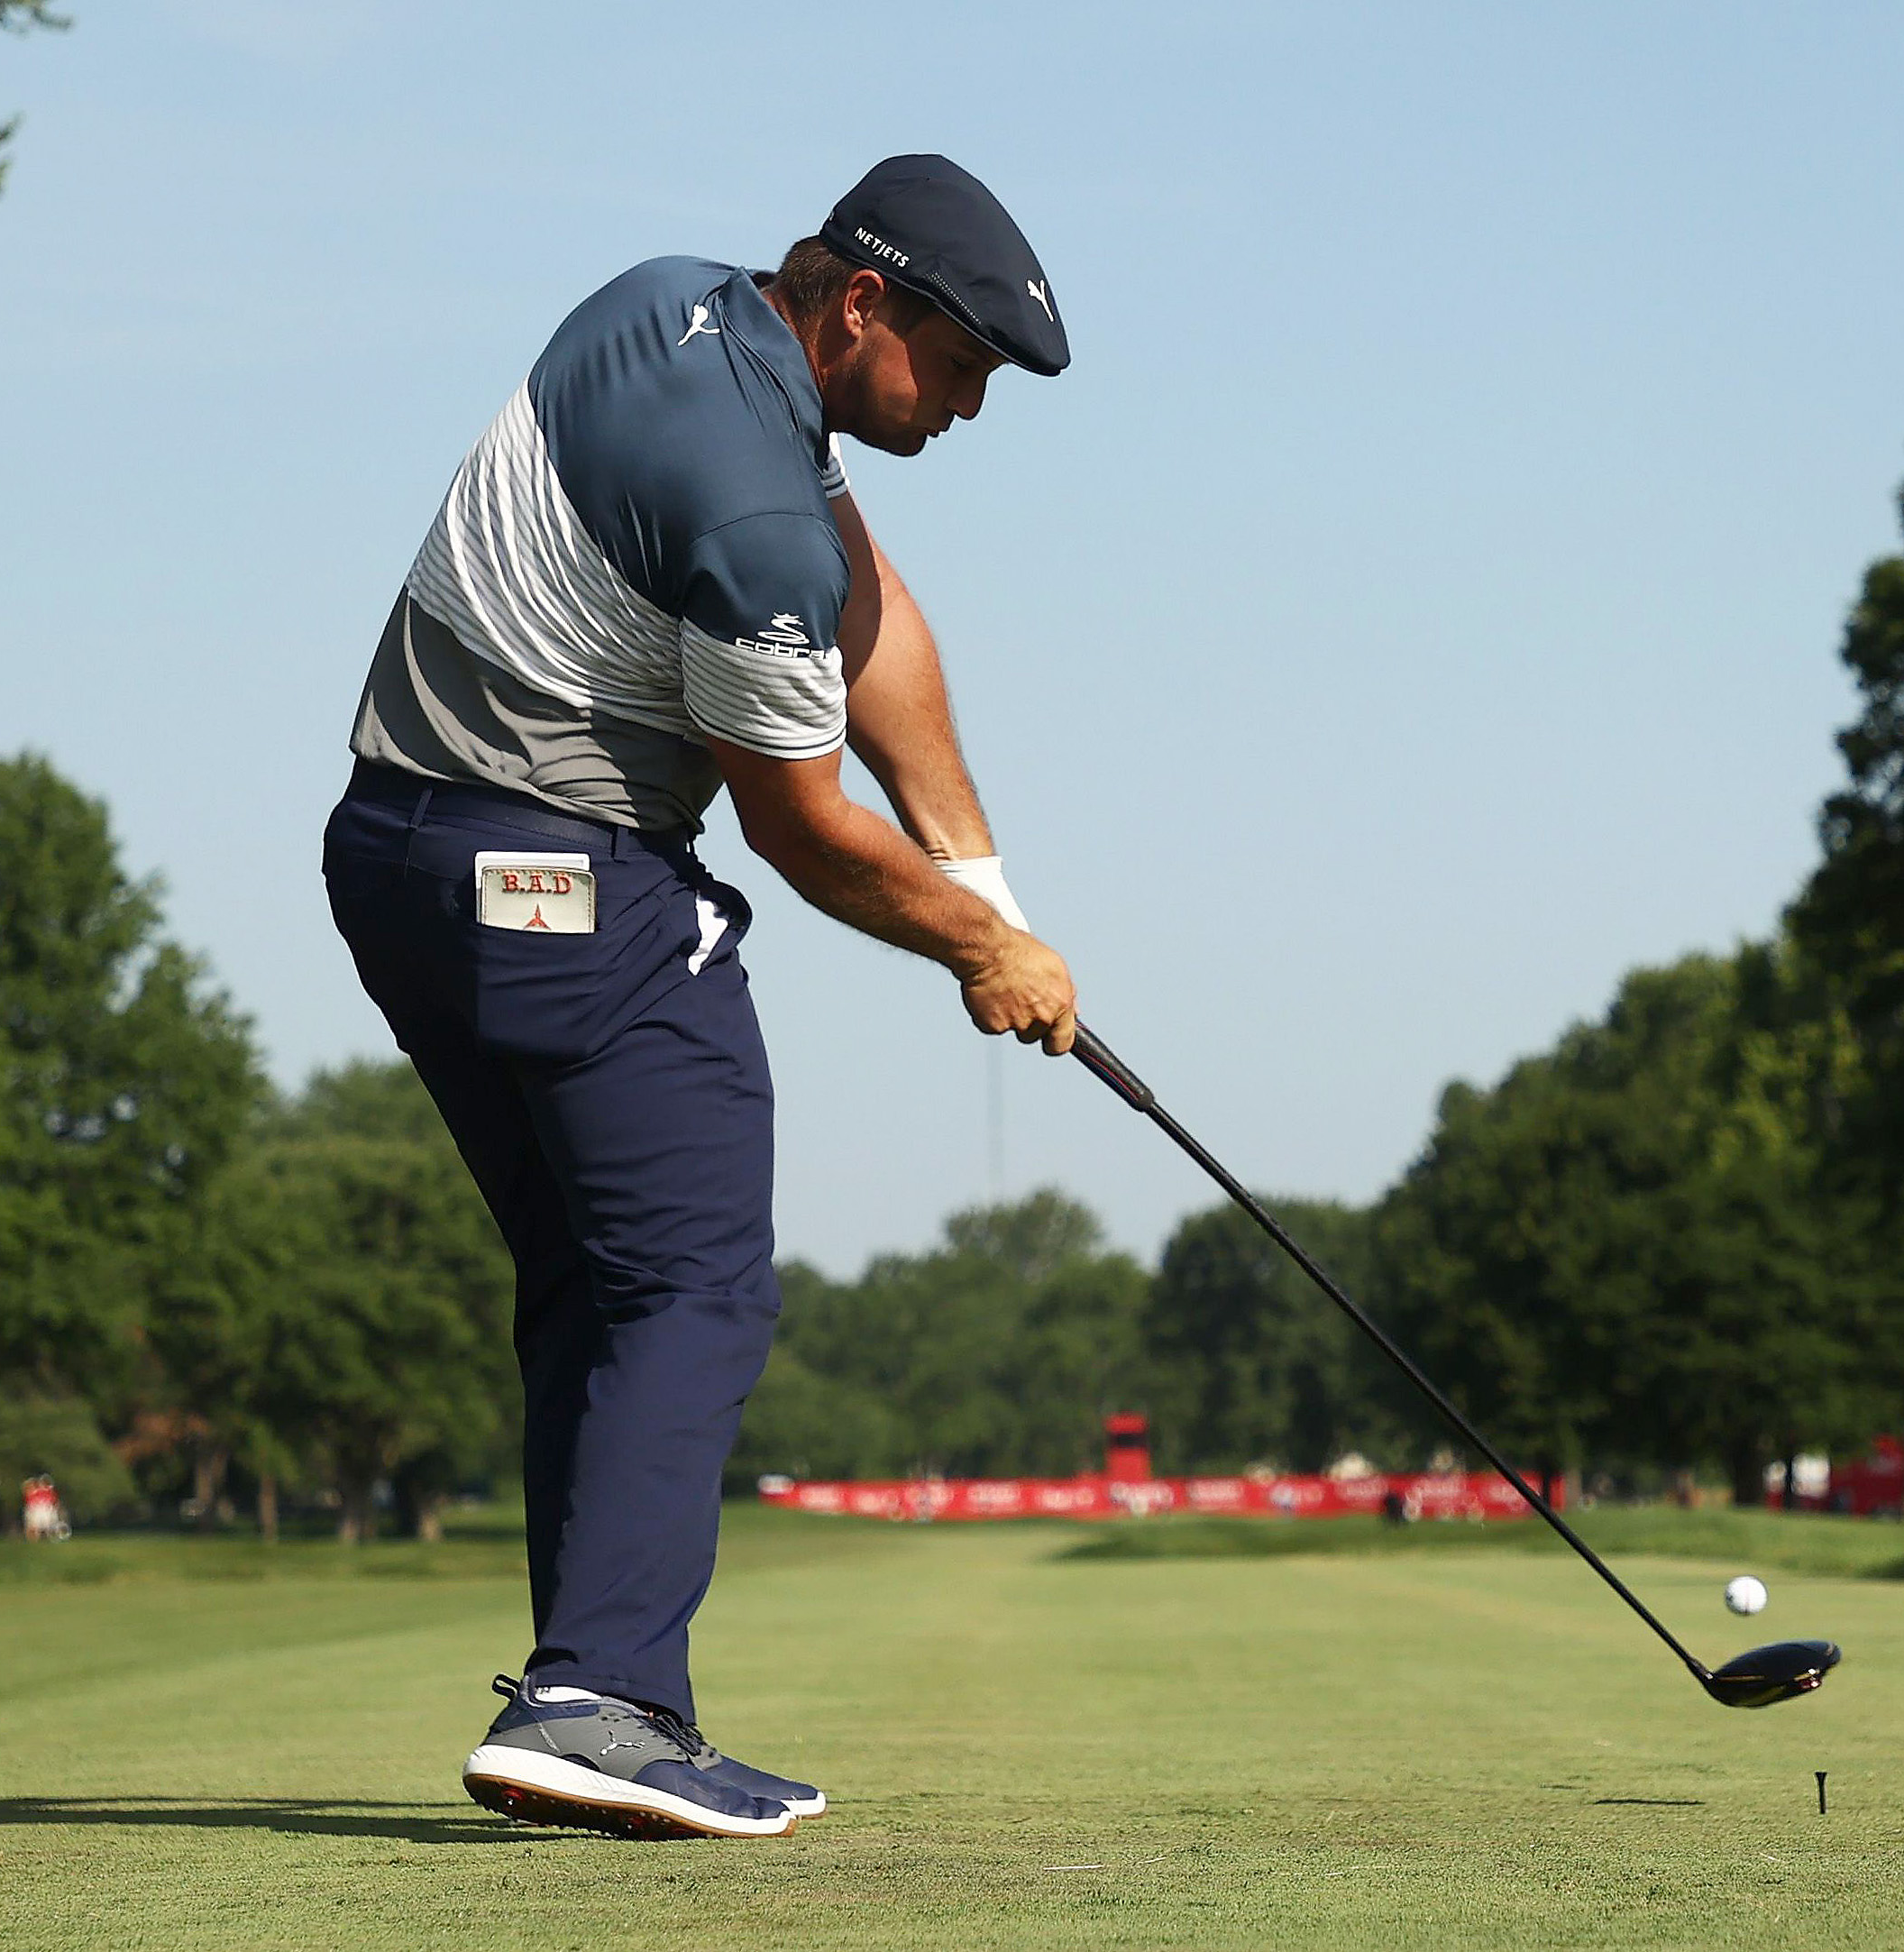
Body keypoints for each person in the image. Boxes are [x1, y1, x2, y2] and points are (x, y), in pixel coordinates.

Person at [322, 156, 1080, 1841]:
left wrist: (984, 881)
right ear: (865, 305)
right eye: (958, 365)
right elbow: (800, 826)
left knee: (595, 1288)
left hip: (393, 852)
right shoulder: (748, 520)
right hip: (552, 883)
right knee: (696, 1286)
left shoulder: (679, 304)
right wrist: (978, 953)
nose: (969, 405)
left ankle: (582, 1701)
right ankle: (599, 1700)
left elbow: (868, 615)